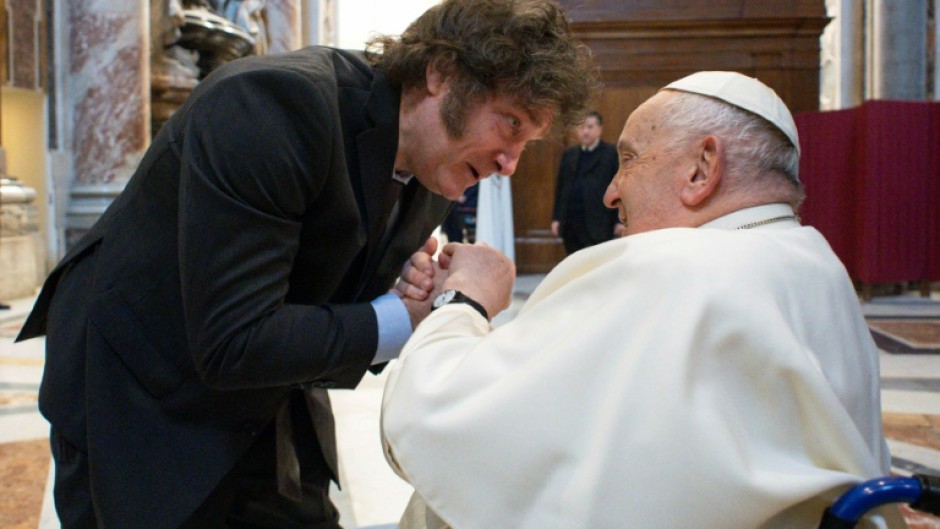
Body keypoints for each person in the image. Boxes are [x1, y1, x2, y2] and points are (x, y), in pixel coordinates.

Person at [15, 0, 594, 527]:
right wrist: (409, 315)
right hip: (141, 385)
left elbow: (327, 293)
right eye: (510, 125)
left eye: (528, 143)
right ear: (439, 74)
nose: (512, 164)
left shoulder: (436, 162)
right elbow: (233, 340)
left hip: (266, 391)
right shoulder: (272, 105)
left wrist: (402, 291)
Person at [382, 71, 905, 529]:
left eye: (628, 160)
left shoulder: (670, 267)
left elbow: (451, 426)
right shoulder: (816, 262)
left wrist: (465, 300)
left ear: (702, 168)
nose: (612, 192)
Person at [551, 110, 622, 255]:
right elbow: (561, 188)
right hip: (571, 221)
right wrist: (556, 218)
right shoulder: (569, 154)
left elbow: (619, 188)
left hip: (599, 222)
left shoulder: (611, 153)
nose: (585, 132)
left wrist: (619, 220)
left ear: (600, 129)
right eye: (581, 127)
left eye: (590, 127)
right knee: (573, 263)